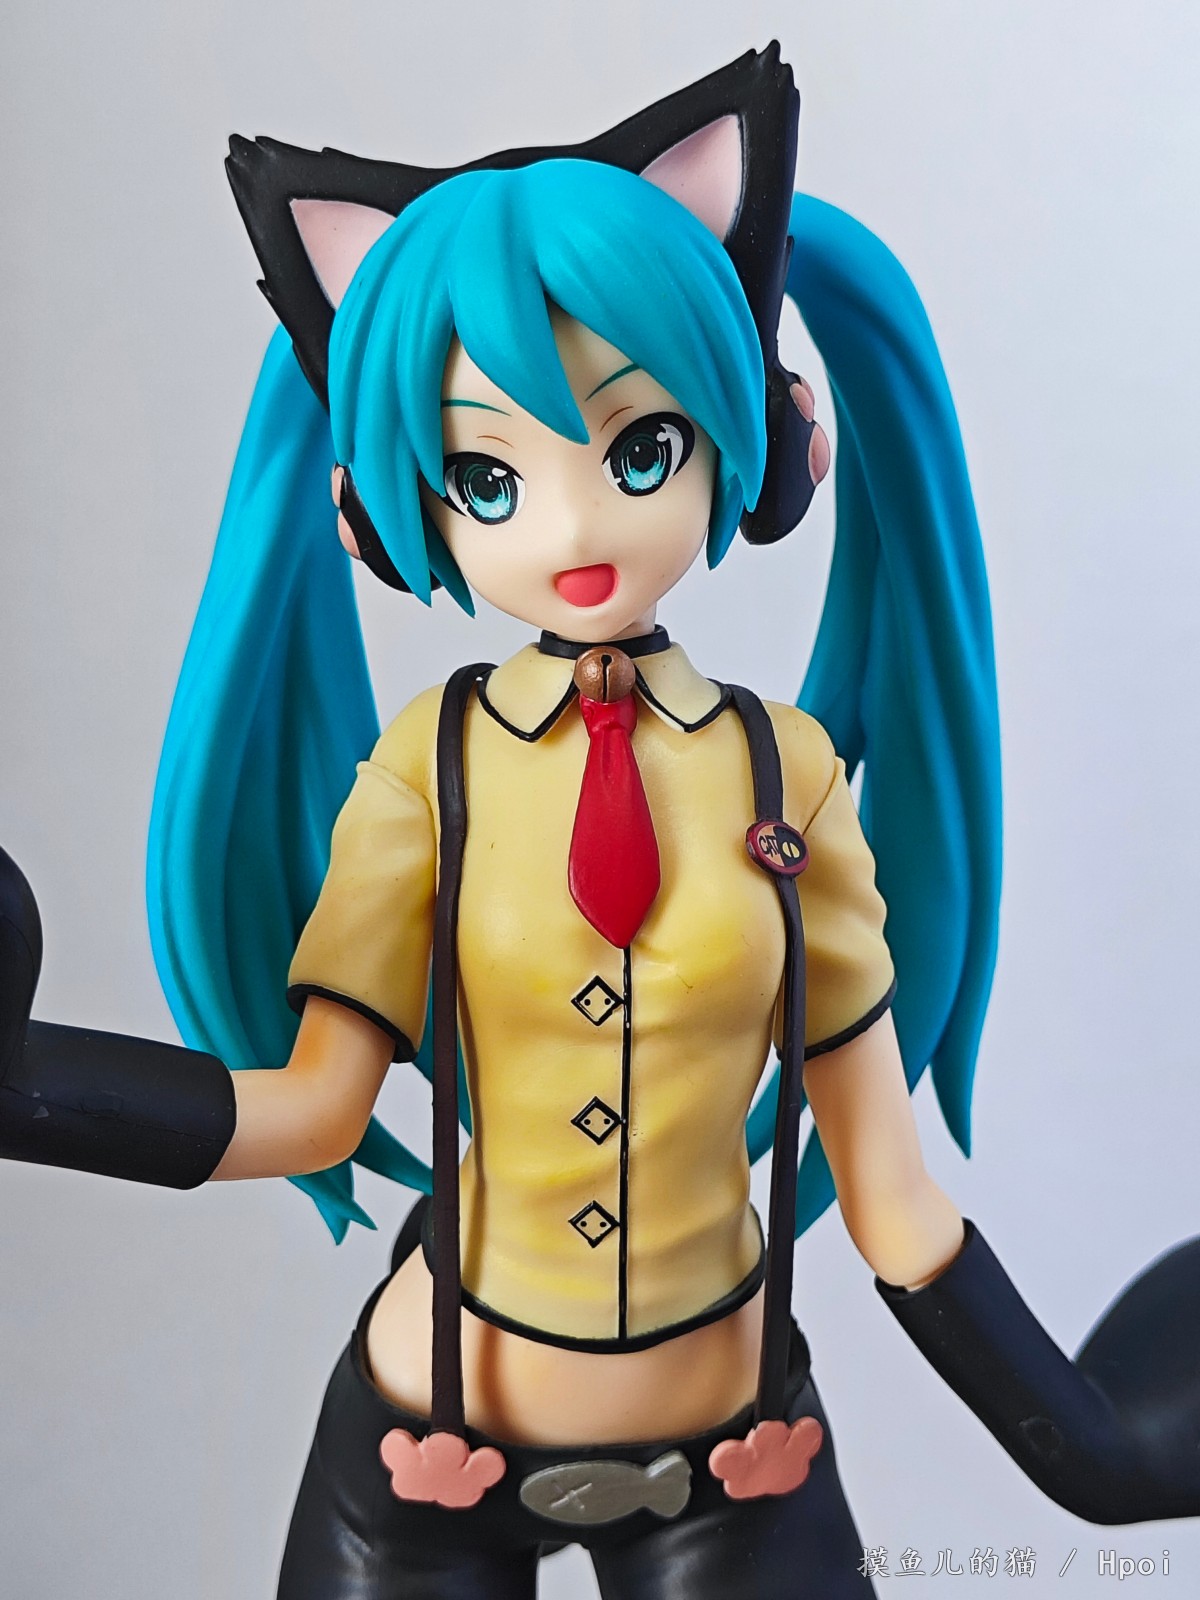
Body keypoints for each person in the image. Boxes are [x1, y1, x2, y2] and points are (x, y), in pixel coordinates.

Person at [1, 44, 1197, 1600]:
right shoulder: (428, 771)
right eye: (488, 479)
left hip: (733, 1455)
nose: (572, 525)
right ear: (388, 513)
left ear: (767, 448)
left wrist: (1089, 1448)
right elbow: (309, 1108)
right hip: (424, 1453)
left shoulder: (789, 778)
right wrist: (32, 1092)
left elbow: (888, 1196)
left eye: (640, 450)